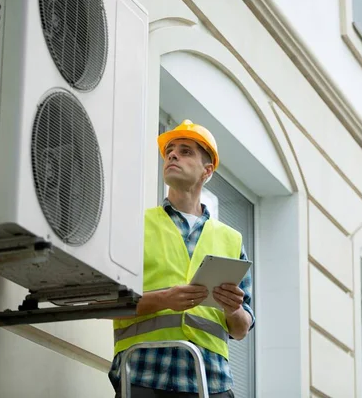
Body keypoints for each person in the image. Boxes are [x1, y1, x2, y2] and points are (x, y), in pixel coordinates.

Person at [109, 120, 255, 397]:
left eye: (186, 151)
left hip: (211, 383)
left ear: (206, 171)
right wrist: (163, 300)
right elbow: (105, 304)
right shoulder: (134, 226)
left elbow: (241, 328)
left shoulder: (231, 239)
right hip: (142, 374)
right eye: (170, 151)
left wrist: (232, 309)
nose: (173, 155)